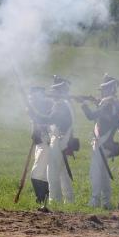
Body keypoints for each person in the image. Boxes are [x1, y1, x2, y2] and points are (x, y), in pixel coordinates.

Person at [80, 75, 119, 209]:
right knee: (103, 174)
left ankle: (95, 200)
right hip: (107, 142)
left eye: (104, 89)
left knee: (96, 172)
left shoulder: (108, 103)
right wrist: (98, 102)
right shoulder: (114, 102)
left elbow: (91, 116)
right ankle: (106, 202)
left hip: (102, 142)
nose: (102, 92)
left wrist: (83, 104)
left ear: (110, 89)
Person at [46, 76, 76, 204]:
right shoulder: (63, 104)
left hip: (59, 141)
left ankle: (55, 200)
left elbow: (49, 119)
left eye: (55, 90)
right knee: (63, 173)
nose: (53, 93)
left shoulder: (60, 105)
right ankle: (69, 200)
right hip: (61, 141)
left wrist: (34, 114)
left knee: (52, 172)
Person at [26, 86, 52, 208]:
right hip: (40, 143)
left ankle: (41, 199)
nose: (31, 99)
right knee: (42, 174)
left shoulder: (46, 109)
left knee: (36, 174)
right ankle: (44, 200)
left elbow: (48, 125)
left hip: (46, 143)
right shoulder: (37, 109)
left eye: (33, 97)